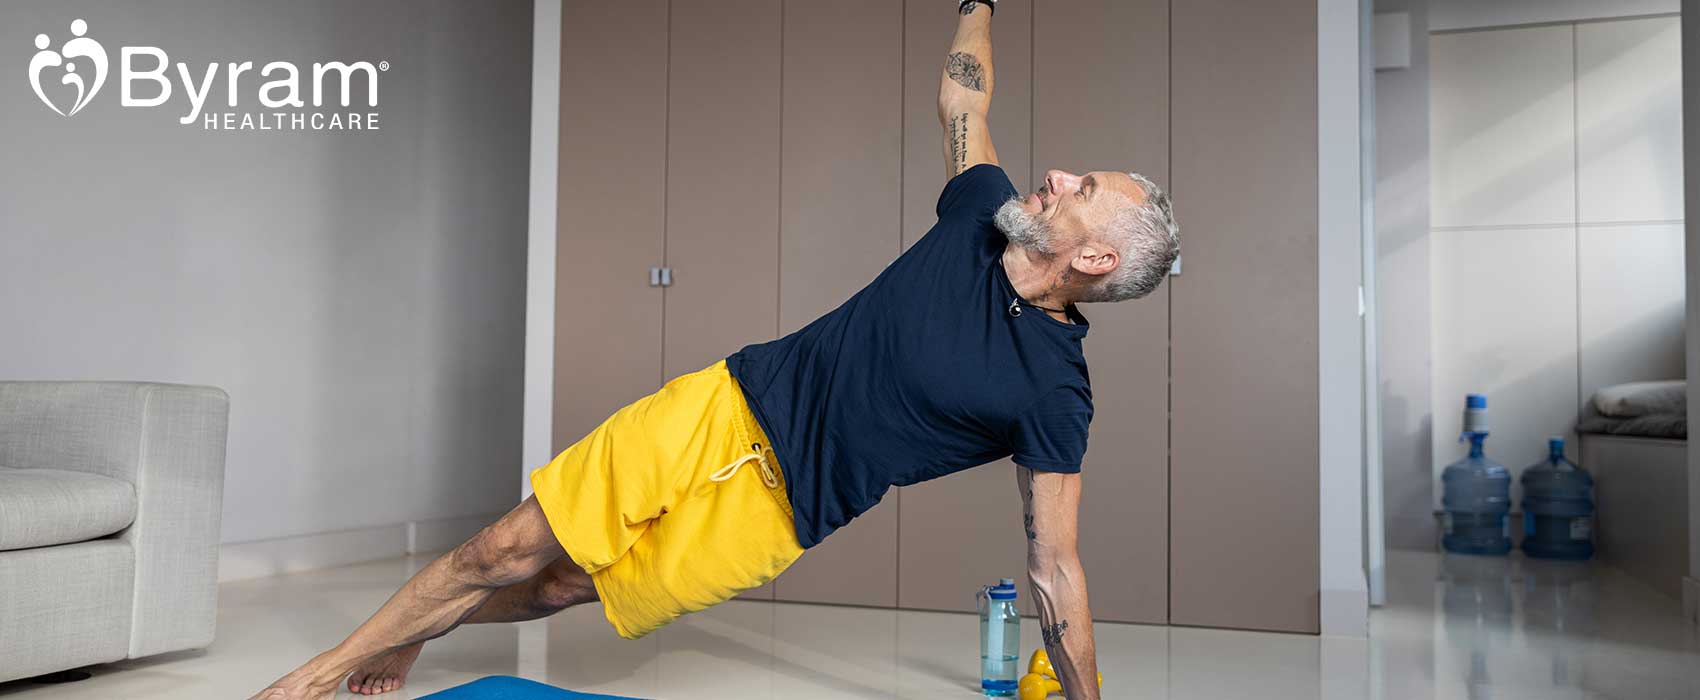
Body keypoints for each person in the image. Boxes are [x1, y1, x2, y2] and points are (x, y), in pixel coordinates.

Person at [251, 1, 1177, 698]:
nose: (1058, 176)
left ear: (1095, 257)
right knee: (508, 545)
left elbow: (1057, 571)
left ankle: (419, 630)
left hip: (777, 516)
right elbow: (960, 94)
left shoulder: (1054, 391)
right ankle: (319, 677)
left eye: (1083, 186)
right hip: (724, 406)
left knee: (562, 588)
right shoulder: (983, 210)